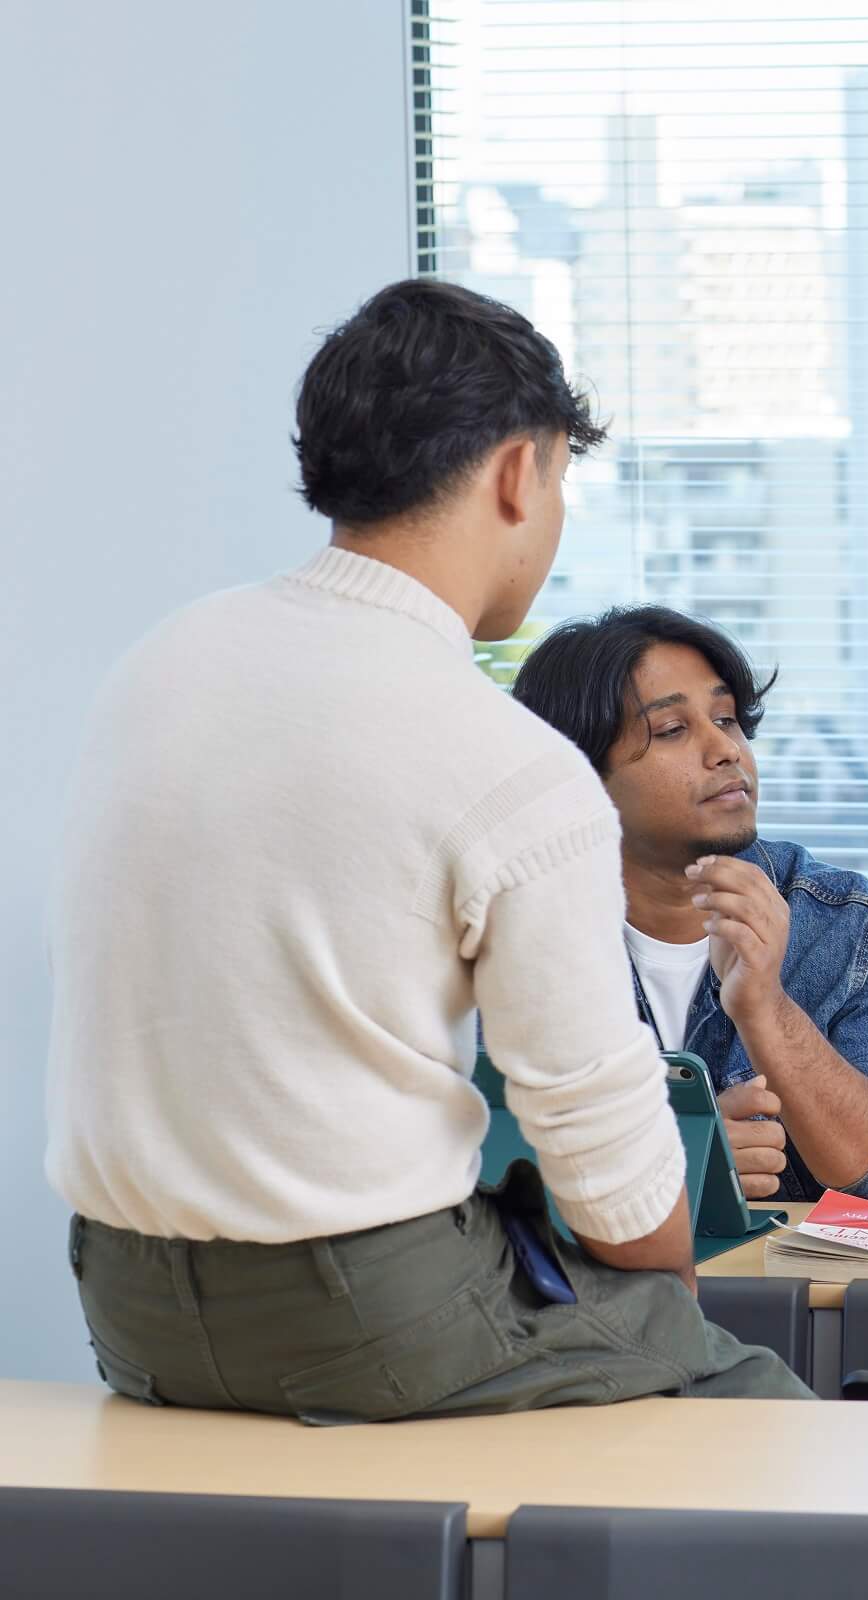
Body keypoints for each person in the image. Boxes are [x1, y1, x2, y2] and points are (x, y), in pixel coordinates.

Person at [47, 280, 808, 1420]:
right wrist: (665, 1331)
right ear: (518, 472)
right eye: (560, 478)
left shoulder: (157, 668)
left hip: (124, 1303)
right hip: (362, 1310)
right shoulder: (504, 759)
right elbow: (609, 1167)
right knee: (757, 1400)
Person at [509, 605, 868, 1204]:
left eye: (726, 719)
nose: (725, 749)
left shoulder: (856, 927)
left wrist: (766, 1008)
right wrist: (662, 1159)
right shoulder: (505, 937)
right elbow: (439, 1173)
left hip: (794, 1298)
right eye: (673, 729)